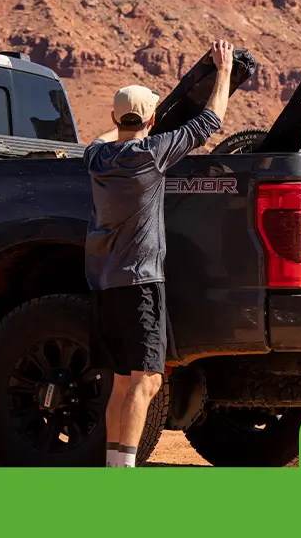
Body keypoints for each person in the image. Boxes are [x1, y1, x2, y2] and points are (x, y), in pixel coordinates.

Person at [83, 39, 234, 467]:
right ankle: (123, 472)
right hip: (140, 285)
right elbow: (211, 121)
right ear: (152, 118)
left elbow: (101, 137)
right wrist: (222, 72)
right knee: (147, 381)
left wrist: (125, 125)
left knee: (119, 382)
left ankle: (113, 469)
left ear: (115, 117)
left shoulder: (96, 158)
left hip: (104, 285)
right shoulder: (152, 155)